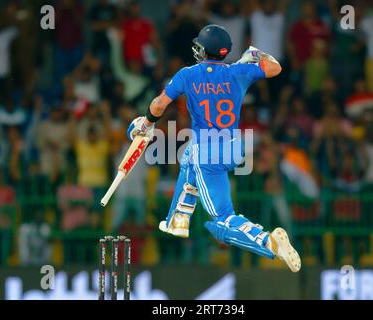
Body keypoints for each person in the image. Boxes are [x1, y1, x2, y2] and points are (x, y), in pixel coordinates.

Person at [126, 24, 301, 272]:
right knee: (186, 158)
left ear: (203, 50)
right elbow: (276, 67)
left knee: (221, 220)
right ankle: (178, 218)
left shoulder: (188, 74)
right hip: (232, 149)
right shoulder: (239, 71)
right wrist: (256, 54)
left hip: (206, 153)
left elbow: (157, 105)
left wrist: (145, 124)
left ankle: (268, 242)